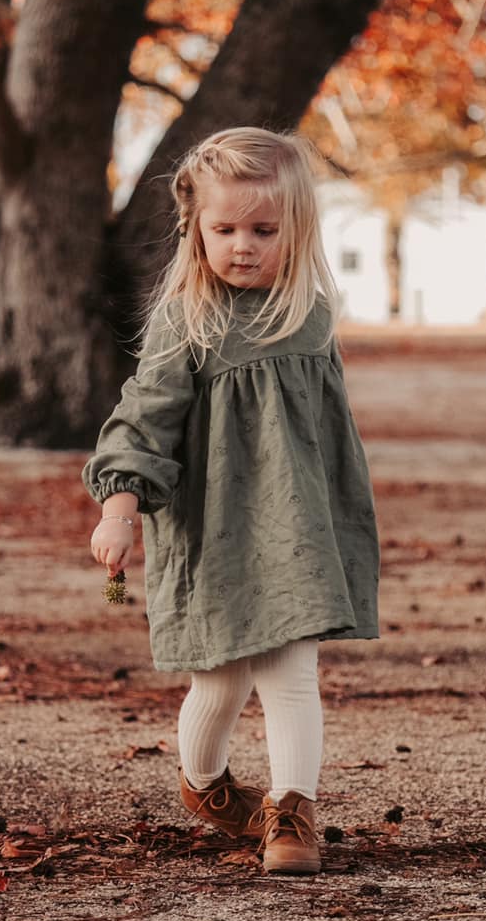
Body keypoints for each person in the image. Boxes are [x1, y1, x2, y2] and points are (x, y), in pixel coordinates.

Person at [82, 126, 380, 874]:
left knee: (290, 670)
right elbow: (144, 414)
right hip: (214, 524)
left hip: (296, 524)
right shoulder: (191, 320)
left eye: (263, 229)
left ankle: (292, 814)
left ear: (297, 229)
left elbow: (323, 431)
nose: (242, 245)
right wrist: (120, 503)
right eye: (224, 229)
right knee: (219, 681)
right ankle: (206, 783)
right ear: (197, 229)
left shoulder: (307, 313)